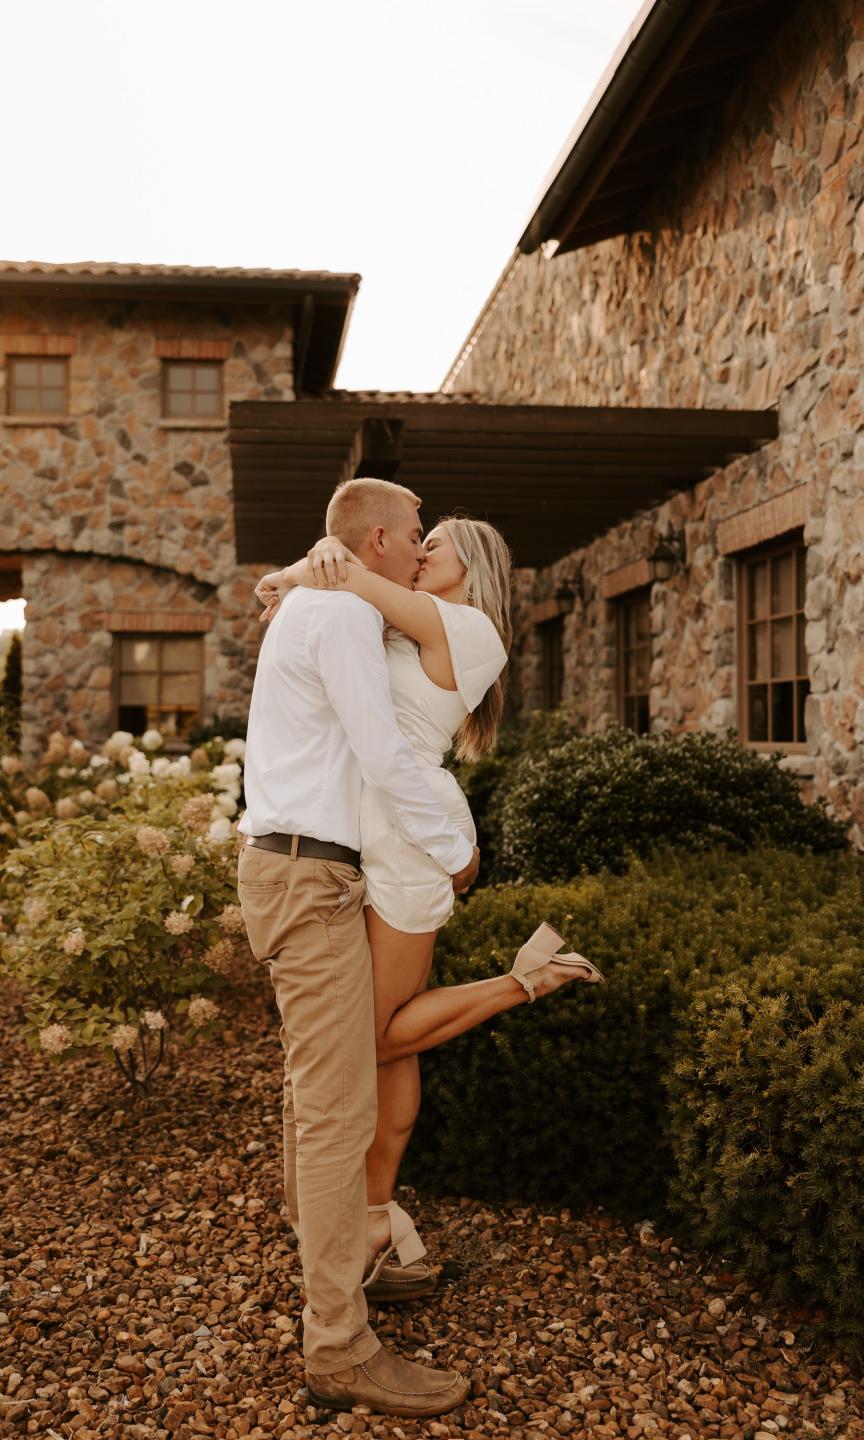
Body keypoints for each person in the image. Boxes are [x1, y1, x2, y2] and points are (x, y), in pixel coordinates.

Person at [252, 483, 604, 1318]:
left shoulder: (470, 626)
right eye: (418, 536)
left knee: (372, 1033)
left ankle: (528, 979)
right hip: (385, 832)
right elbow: (334, 594)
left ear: (468, 565)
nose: (421, 549)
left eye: (435, 542)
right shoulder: (409, 619)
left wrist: (316, 563)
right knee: (385, 1042)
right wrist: (306, 572)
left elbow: (355, 577)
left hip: (410, 843)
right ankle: (373, 1215)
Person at [237, 478, 479, 1418]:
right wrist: (455, 849)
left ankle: (325, 1270)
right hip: (311, 879)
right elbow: (382, 753)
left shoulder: (318, 600)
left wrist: (297, 568)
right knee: (339, 1114)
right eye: (414, 534)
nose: (421, 549)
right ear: (377, 538)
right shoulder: (335, 616)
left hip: (295, 869)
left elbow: (288, 585)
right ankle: (338, 1345)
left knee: (316, 1099)